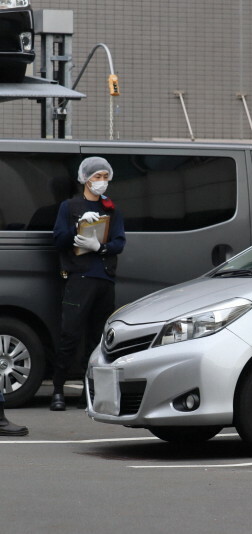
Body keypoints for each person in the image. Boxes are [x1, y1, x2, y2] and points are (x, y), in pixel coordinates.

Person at [51, 157, 126, 411]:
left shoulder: (111, 208)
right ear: (85, 179)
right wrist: (78, 229)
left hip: (104, 278)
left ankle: (89, 390)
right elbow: (59, 239)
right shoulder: (69, 206)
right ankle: (58, 390)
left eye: (105, 177)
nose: (101, 182)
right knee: (69, 334)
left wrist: (100, 247)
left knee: (98, 338)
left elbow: (119, 242)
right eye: (97, 177)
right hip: (78, 277)